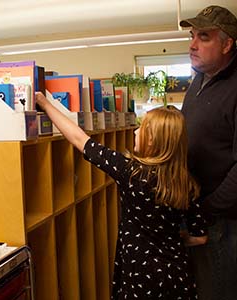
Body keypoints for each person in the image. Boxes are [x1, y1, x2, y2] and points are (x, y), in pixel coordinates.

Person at [36, 91, 207, 299]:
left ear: (152, 140)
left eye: (141, 129)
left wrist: (44, 103)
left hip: (140, 276)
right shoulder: (187, 183)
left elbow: (79, 139)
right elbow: (200, 238)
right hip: (178, 276)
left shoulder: (131, 172)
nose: (135, 132)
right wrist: (170, 238)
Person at [180, 5, 237, 300]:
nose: (192, 45)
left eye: (203, 37)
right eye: (192, 35)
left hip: (224, 222)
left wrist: (209, 209)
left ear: (227, 44)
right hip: (199, 213)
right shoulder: (200, 79)